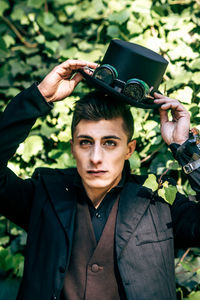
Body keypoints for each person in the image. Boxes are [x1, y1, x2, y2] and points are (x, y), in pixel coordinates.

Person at [0, 55, 200, 300]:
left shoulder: (160, 201)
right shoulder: (43, 195)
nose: (96, 157)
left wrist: (185, 149)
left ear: (129, 149)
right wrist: (39, 97)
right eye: (86, 143)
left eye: (109, 143)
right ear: (73, 147)